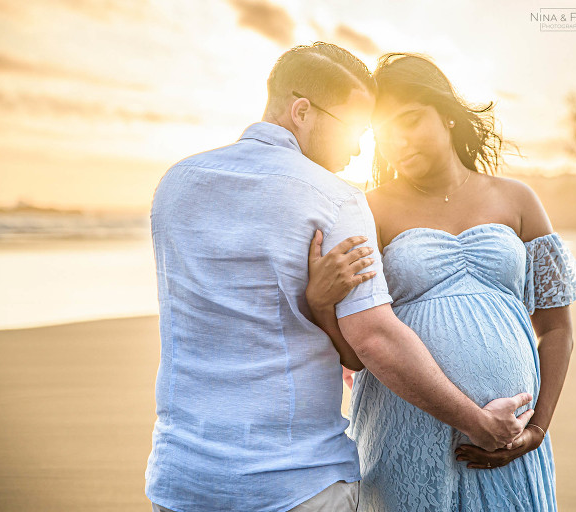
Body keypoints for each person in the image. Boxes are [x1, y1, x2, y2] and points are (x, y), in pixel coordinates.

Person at [145, 43, 534, 512]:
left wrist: (319, 303)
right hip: (294, 483)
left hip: (181, 477)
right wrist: (476, 421)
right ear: (303, 111)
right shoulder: (334, 198)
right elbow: (372, 340)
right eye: (352, 129)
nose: (356, 149)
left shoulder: (176, 183)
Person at [306, 53, 576, 511]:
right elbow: (355, 351)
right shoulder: (367, 209)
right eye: (384, 130)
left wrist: (537, 428)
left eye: (411, 119)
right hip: (405, 427)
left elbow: (558, 329)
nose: (399, 140)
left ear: (448, 117)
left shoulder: (517, 199)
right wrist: (321, 305)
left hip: (510, 438)